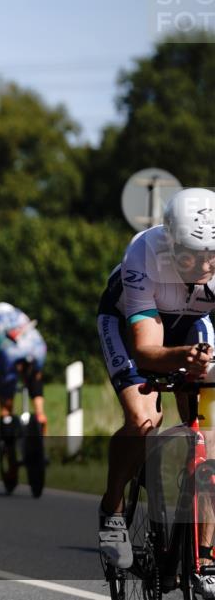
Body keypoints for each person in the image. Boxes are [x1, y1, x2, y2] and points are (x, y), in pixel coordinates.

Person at [96, 188, 215, 592]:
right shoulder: (143, 254)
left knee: (210, 437)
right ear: (170, 244)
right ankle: (112, 506)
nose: (202, 265)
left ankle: (204, 556)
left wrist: (197, 360)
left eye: (211, 256)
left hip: (192, 328)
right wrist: (185, 357)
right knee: (143, 418)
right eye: (189, 256)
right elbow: (146, 350)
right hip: (133, 328)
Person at [0, 302, 48, 493]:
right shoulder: (20, 315)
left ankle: (10, 462)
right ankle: (41, 415)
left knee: (5, 409)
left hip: (7, 355)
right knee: (35, 375)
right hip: (37, 350)